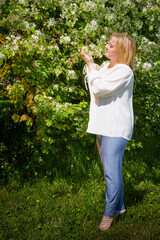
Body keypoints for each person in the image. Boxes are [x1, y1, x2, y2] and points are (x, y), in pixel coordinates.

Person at [80, 33, 136, 231]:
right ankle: (119, 207)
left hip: (115, 127)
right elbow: (95, 86)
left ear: (120, 51)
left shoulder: (124, 71)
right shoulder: (105, 67)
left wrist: (89, 66)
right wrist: (92, 64)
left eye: (110, 45)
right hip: (102, 126)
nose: (106, 46)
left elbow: (100, 88)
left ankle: (108, 213)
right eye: (108, 44)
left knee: (112, 174)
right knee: (109, 172)